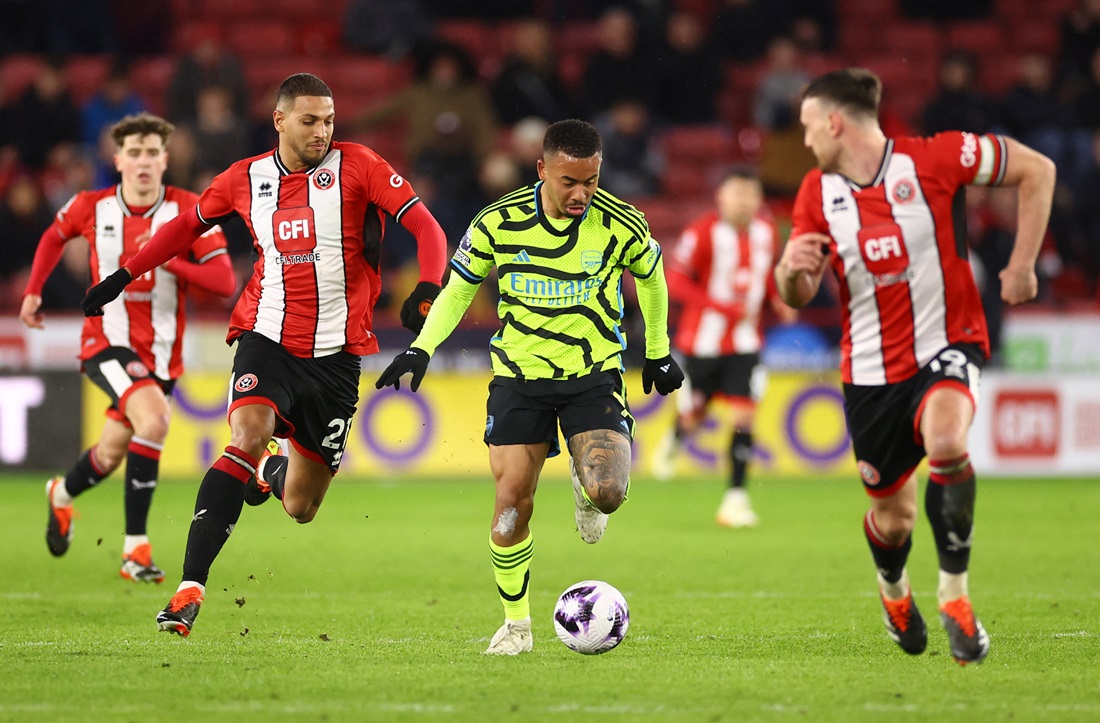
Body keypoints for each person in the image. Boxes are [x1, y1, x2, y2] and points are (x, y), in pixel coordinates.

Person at [80, 73, 448, 636]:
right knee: (246, 436)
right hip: (266, 335)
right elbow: (184, 227)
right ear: (280, 120)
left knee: (301, 506)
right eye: (309, 120)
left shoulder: (360, 166)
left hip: (337, 359)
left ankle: (274, 472)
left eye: (328, 120)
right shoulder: (244, 178)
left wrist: (426, 287)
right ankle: (188, 589)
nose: (322, 131)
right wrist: (125, 274)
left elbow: (426, 227)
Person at [375, 119, 684, 655]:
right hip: (520, 378)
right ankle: (516, 626)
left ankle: (588, 495)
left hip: (593, 376)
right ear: (542, 169)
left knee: (608, 492)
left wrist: (656, 349)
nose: (581, 194)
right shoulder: (497, 223)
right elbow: (456, 290)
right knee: (511, 504)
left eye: (591, 180)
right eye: (569, 181)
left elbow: (653, 277)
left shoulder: (621, 224)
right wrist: (421, 347)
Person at [777, 68, 1055, 665]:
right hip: (871, 372)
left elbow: (1039, 168)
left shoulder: (937, 156)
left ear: (833, 121)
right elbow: (795, 295)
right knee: (893, 517)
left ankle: (955, 596)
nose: (805, 142)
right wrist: (792, 271)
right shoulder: (815, 193)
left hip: (947, 343)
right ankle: (894, 592)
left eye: (807, 127)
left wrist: (1022, 265)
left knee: (950, 440)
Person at [20, 112, 236, 582]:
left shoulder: (189, 210)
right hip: (108, 341)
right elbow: (54, 237)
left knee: (114, 451)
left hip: (162, 355)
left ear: (165, 160)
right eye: (133, 152)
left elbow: (223, 281)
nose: (143, 161)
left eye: (152, 153)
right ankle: (135, 549)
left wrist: (166, 261)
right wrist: (35, 289)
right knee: (155, 419)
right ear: (117, 160)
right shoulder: (90, 206)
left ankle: (60, 493)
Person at [652, 167, 796, 528]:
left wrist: (779, 300)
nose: (744, 202)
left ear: (759, 199)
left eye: (750, 195)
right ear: (722, 198)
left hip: (746, 343)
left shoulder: (768, 233)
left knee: (744, 416)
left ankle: (735, 499)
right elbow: (675, 280)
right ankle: (677, 436)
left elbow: (765, 278)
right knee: (695, 414)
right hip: (703, 343)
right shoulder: (702, 232)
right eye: (737, 194)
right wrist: (718, 306)